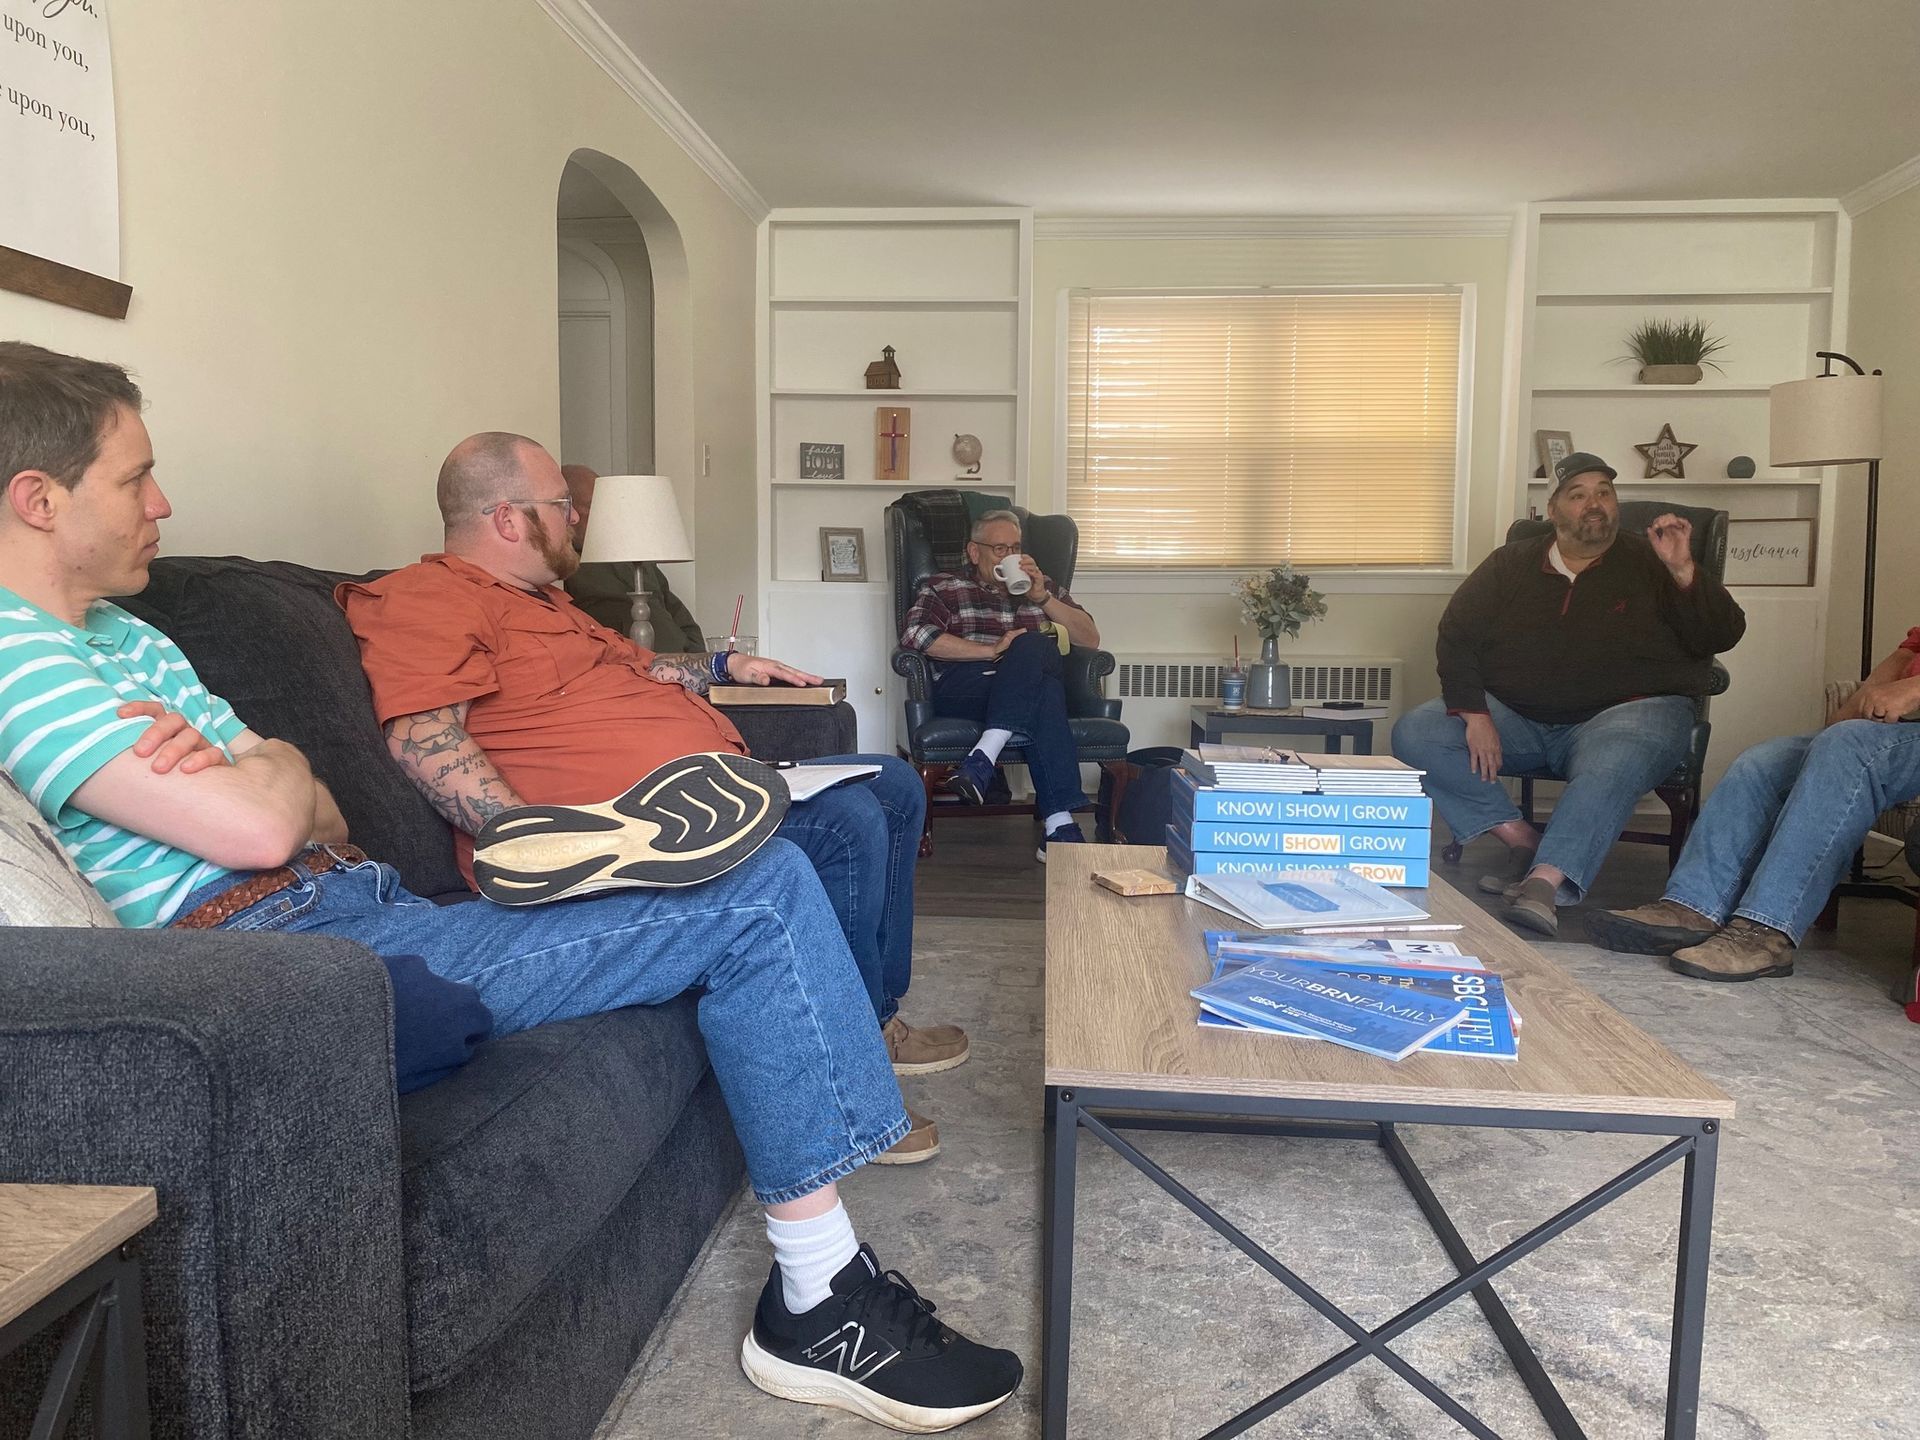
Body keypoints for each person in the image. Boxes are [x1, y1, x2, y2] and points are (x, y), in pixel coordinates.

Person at [0, 342, 1021, 1430]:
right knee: (758, 892)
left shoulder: (126, 636)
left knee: (803, 841)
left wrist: (273, 776)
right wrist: (273, 782)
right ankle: (821, 1302)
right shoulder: (19, 654)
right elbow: (264, 824)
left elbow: (316, 806)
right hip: (285, 952)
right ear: (38, 498)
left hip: (356, 897)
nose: (162, 501)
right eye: (132, 477)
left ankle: (822, 1203)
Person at [336, 434, 962, 1162]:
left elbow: (645, 665)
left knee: (887, 785)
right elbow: (422, 737)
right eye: (563, 507)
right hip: (623, 827)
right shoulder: (427, 597)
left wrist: (727, 664)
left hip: (707, 794)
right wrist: (531, 841)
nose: (576, 520)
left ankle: (871, 1018)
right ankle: (846, 1077)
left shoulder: (547, 603)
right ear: (507, 519)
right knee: (844, 823)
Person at [1391, 452, 1746, 937]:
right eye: (1578, 495)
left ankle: (1544, 883)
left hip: (1631, 713)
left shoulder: (1656, 560)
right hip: (1520, 714)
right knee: (1419, 732)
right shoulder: (1512, 562)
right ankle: (1522, 838)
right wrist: (1474, 713)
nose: (1594, 504)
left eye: (1604, 492)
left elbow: (1721, 635)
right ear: (1553, 511)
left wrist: (1683, 569)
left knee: (1613, 759)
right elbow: (1457, 636)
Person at [1590, 636, 1920, 981]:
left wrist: (1913, 688)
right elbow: (1908, 649)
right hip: (1895, 730)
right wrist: (1873, 693)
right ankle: (1694, 905)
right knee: (1762, 763)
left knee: (1847, 747)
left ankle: (1767, 932)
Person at [900, 510, 1102, 862]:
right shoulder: (943, 587)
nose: (1009, 556)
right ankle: (1059, 820)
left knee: (1036, 651)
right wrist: (992, 650)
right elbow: (917, 636)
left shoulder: (1043, 587)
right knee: (1039, 667)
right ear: (974, 552)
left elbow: (1090, 639)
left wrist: (1043, 599)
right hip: (968, 685)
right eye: (999, 548)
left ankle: (984, 758)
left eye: (1015, 547)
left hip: (1023, 692)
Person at [559, 463, 706, 650]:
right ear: (568, 511)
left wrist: (699, 657)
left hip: (684, 666)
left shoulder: (635, 555)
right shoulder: (564, 566)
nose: (604, 514)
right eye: (593, 505)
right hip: (629, 668)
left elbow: (677, 612)